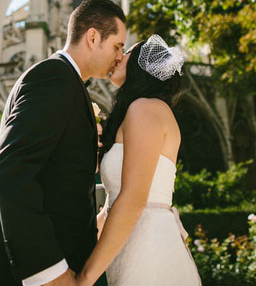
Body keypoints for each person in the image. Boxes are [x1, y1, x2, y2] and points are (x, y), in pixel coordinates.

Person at [0, 0, 127, 286]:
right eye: (117, 46)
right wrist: (49, 272)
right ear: (92, 37)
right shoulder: (54, 78)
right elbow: (12, 171)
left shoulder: (63, 80)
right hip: (23, 273)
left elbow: (55, 180)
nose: (119, 56)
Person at [75, 35, 201, 286]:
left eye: (126, 50)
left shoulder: (146, 108)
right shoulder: (140, 109)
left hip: (149, 247)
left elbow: (133, 199)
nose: (118, 56)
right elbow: (111, 205)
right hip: (130, 244)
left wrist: (85, 278)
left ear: (142, 63)